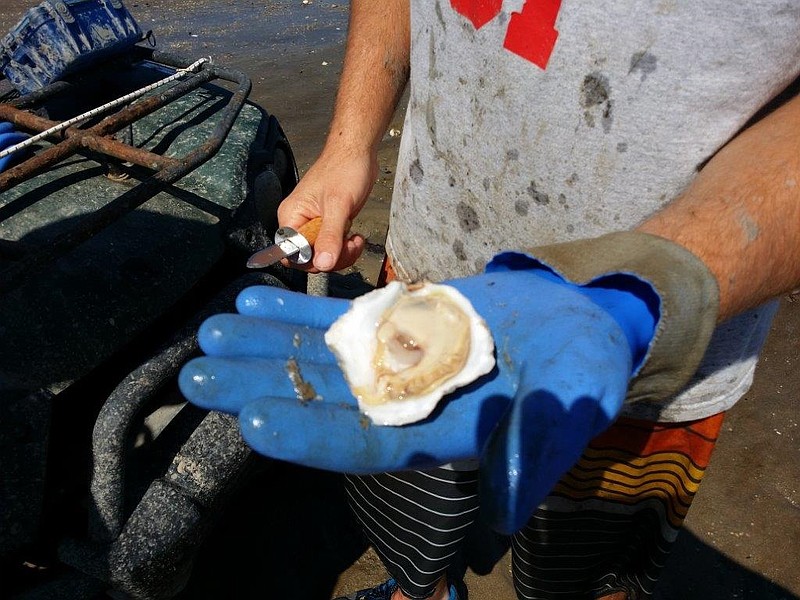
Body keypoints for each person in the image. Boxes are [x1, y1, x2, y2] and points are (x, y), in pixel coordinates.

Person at [179, 2, 800, 599]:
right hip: (426, 268)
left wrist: (634, 298)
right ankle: (421, 591)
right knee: (402, 494)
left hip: (653, 338)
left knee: (588, 563)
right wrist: (350, 142)